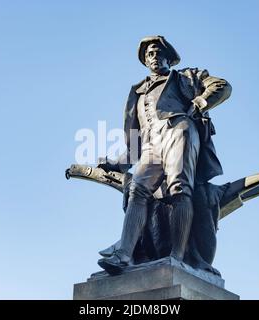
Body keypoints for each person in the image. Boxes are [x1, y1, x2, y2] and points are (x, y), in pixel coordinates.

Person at [98, 35, 231, 273]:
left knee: (179, 188)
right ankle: (124, 255)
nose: (154, 57)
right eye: (149, 54)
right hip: (150, 144)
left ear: (169, 58)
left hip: (178, 129)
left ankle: (177, 256)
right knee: (136, 189)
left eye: (159, 53)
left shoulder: (186, 77)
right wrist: (117, 163)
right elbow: (134, 145)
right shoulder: (136, 93)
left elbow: (221, 86)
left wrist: (200, 102)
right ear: (145, 61)